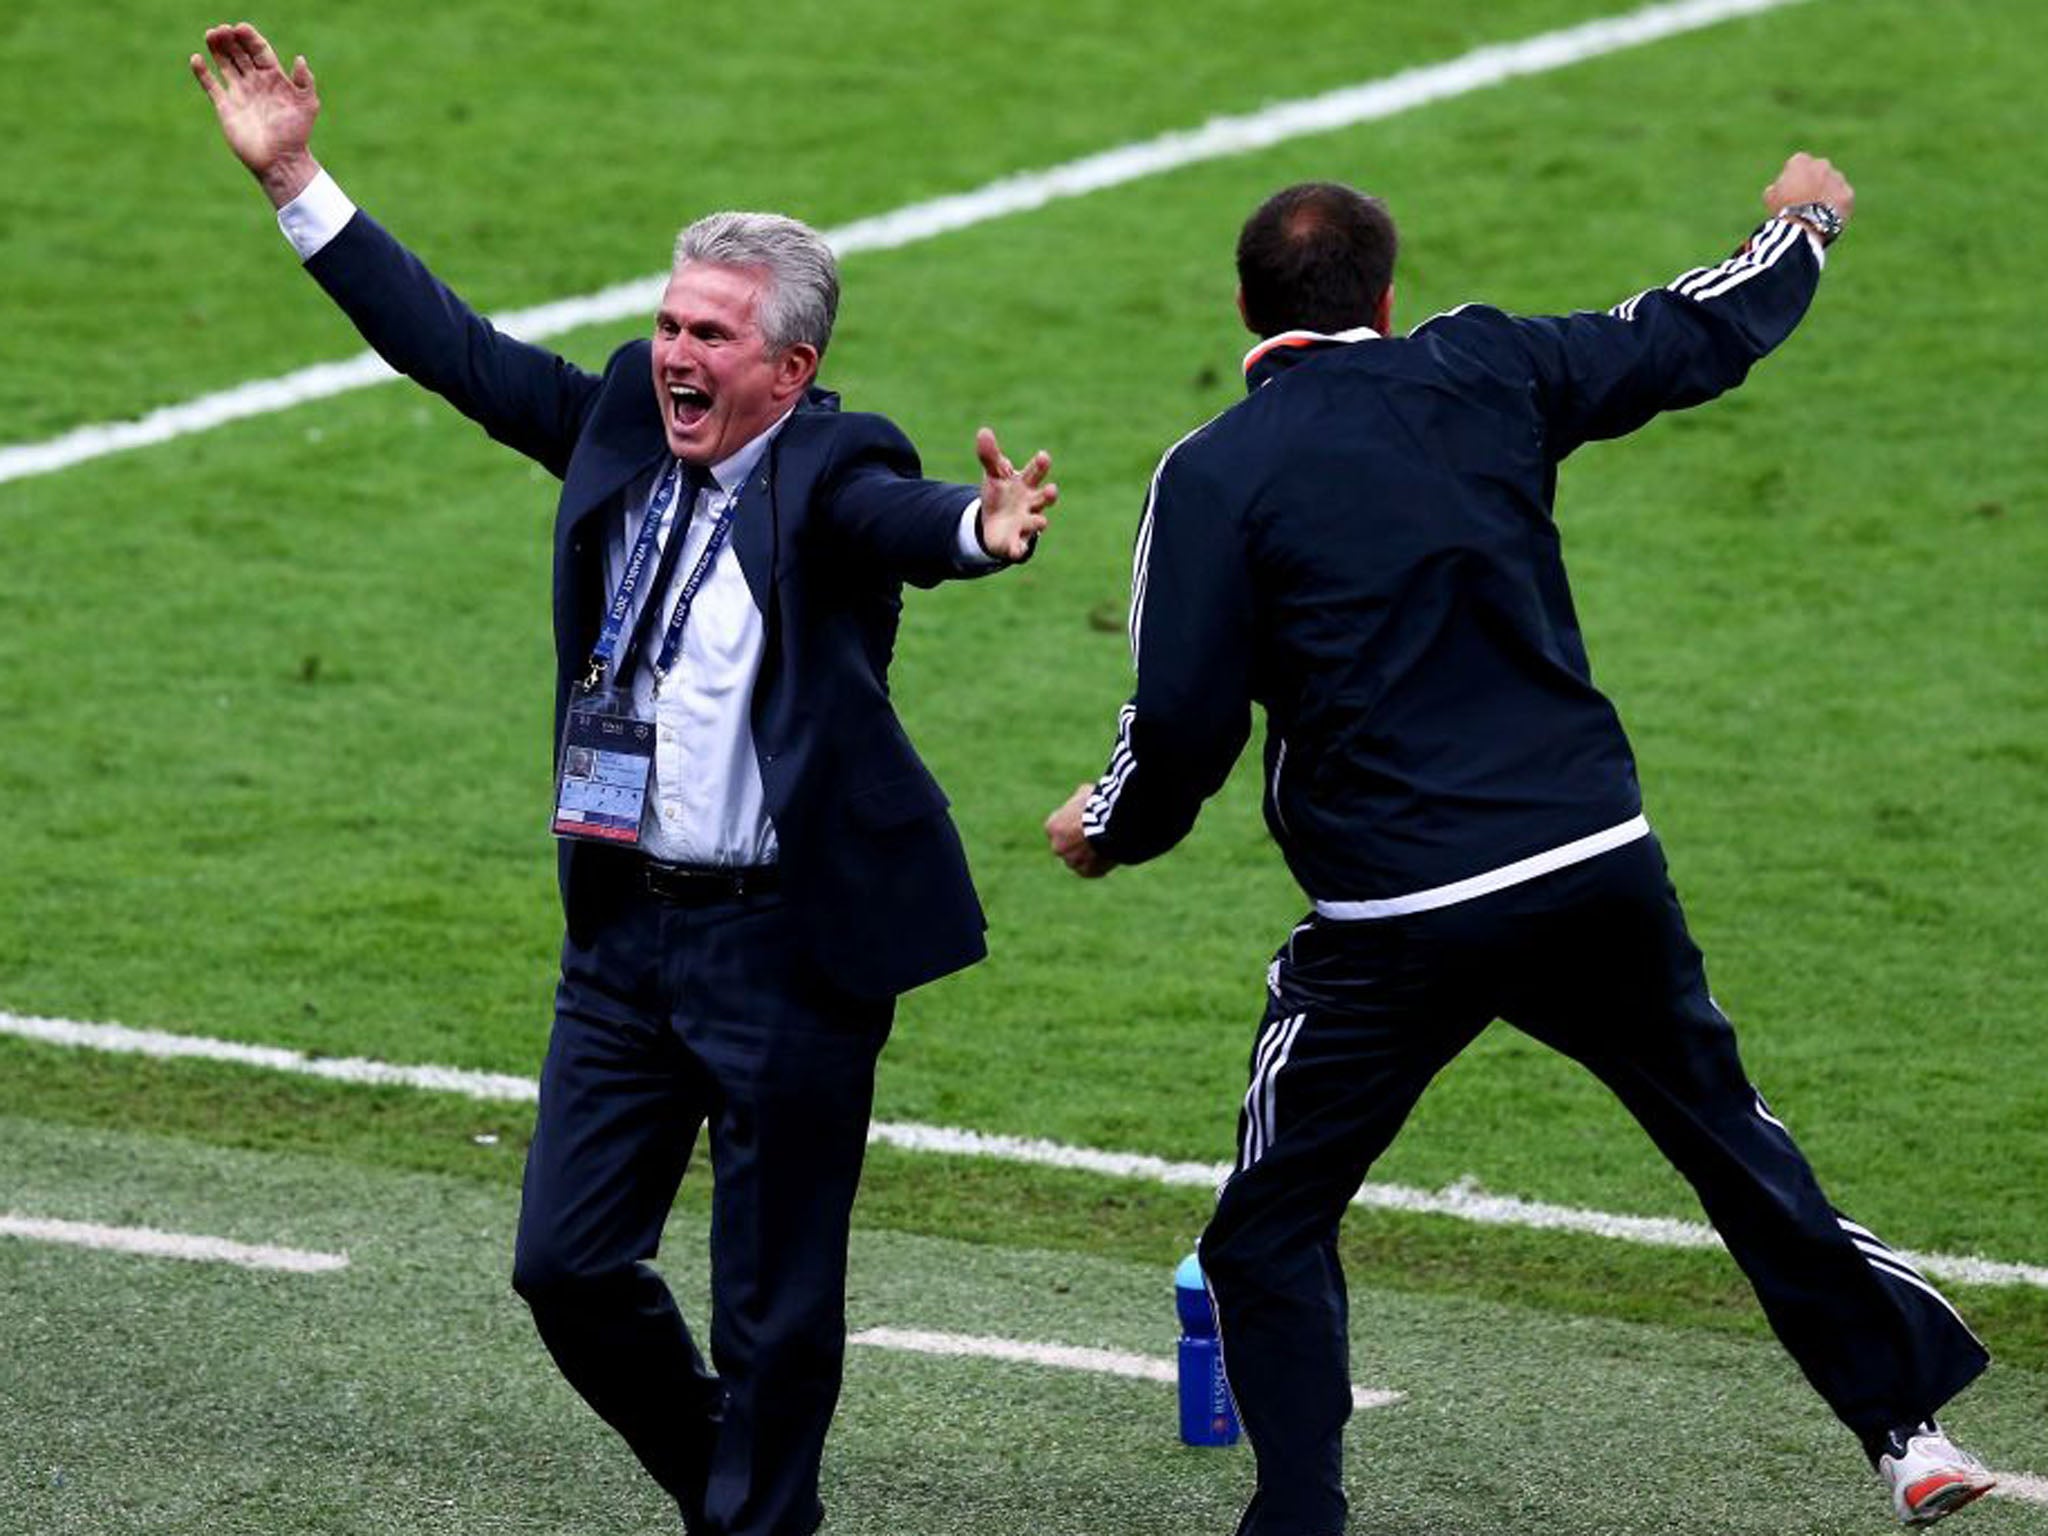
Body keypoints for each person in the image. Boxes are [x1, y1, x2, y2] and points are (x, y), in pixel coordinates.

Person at [192, 23, 1055, 1536]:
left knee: (775, 1310)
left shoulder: (832, 472)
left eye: (714, 337)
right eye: (669, 323)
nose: (675, 354)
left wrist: (982, 534)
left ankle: (750, 1515)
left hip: (787, 946)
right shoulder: (617, 425)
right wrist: (298, 183)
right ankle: (744, 1488)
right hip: (625, 936)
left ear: (793, 369)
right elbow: (449, 347)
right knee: (567, 1266)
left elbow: (906, 521)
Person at [1046, 157, 1996, 1531]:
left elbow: (1182, 720)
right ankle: (1906, 1434)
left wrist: (1113, 828)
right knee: (1730, 1143)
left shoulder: (1213, 474)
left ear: (1243, 306)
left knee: (1268, 1221)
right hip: (1589, 864)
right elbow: (1687, 331)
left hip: (1393, 919)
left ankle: (1298, 1512)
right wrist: (1803, 224)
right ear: (1386, 293)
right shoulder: (1485, 366)